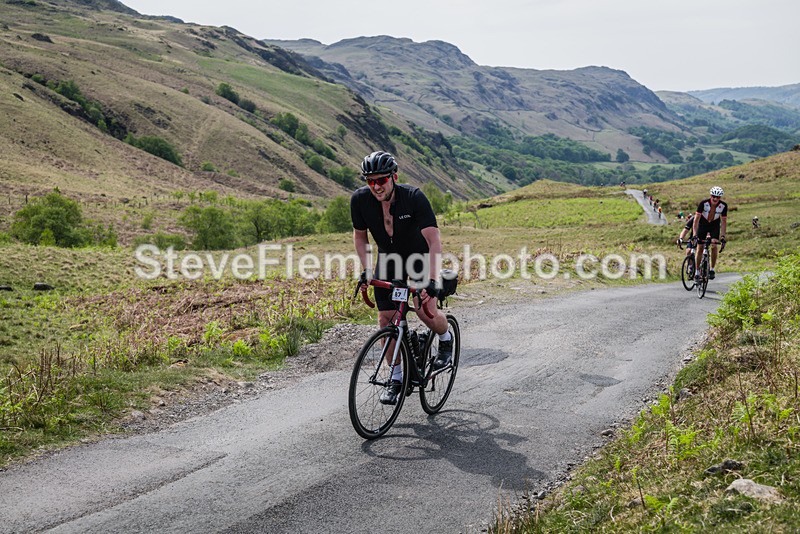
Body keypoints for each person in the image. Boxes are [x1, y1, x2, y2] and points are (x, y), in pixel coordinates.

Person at [350, 151, 453, 405]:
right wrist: (366, 270)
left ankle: (445, 339)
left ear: (393, 177)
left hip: (418, 256)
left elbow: (433, 240)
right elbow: (360, 237)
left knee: (424, 310)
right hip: (389, 259)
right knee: (386, 320)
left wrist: (431, 279)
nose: (375, 186)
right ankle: (396, 378)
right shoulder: (360, 200)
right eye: (370, 181)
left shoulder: (414, 197)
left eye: (381, 180)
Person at [692, 186, 728, 281]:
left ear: (720, 198)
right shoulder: (703, 204)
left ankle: (712, 269)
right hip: (703, 225)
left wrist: (723, 236)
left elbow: (724, 222)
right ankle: (697, 271)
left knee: (714, 245)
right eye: (713, 196)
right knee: (700, 247)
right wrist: (695, 235)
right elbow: (696, 220)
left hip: (714, 226)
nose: (715, 198)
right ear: (710, 196)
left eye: (718, 197)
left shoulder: (723, 206)